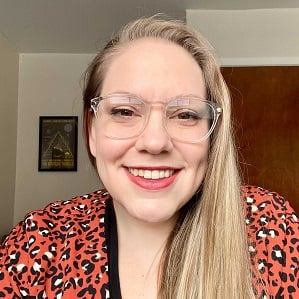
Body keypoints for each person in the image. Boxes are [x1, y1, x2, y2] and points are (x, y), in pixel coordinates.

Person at [0, 16, 298, 299]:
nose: (155, 142)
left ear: (212, 133)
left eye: (185, 114)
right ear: (92, 131)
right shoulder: (39, 241)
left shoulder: (268, 226)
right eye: (124, 111)